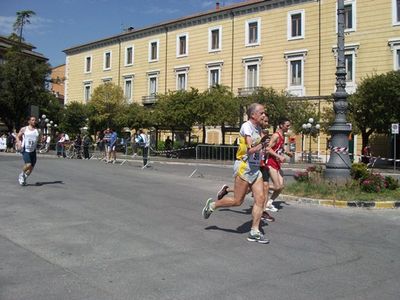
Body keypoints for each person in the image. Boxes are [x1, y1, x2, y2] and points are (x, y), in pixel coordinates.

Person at [202, 103, 269, 244]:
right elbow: (250, 150)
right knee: (238, 201)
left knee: (260, 199)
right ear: (253, 115)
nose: (264, 115)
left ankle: (254, 231)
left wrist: (265, 148)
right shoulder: (247, 127)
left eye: (264, 113)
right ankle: (212, 206)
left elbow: (259, 149)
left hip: (255, 169)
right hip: (244, 167)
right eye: (261, 113)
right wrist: (262, 144)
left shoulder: (258, 128)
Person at [216, 114, 275, 223]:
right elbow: (251, 148)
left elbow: (264, 148)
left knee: (262, 192)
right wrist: (266, 146)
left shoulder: (260, 130)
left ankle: (258, 222)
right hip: (248, 165)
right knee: (239, 199)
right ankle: (218, 201)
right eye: (265, 120)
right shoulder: (250, 128)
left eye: (267, 121)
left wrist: (266, 149)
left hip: (260, 165)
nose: (266, 123)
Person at [265, 117, 291, 212]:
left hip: (277, 164)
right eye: (287, 125)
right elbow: (268, 148)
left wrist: (287, 152)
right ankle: (258, 187)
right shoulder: (275, 135)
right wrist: (278, 156)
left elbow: (280, 148)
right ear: (281, 125)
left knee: (281, 187)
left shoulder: (282, 136)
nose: (288, 127)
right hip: (271, 163)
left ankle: (269, 203)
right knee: (277, 186)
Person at [16, 116, 40, 186]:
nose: (34, 121)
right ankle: (21, 175)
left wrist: (40, 139)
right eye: (32, 120)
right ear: (29, 121)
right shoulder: (24, 129)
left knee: (31, 169)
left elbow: (40, 138)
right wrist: (18, 142)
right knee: (28, 164)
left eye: (35, 120)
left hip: (33, 150)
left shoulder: (37, 130)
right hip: (25, 150)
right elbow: (17, 136)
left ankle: (24, 178)